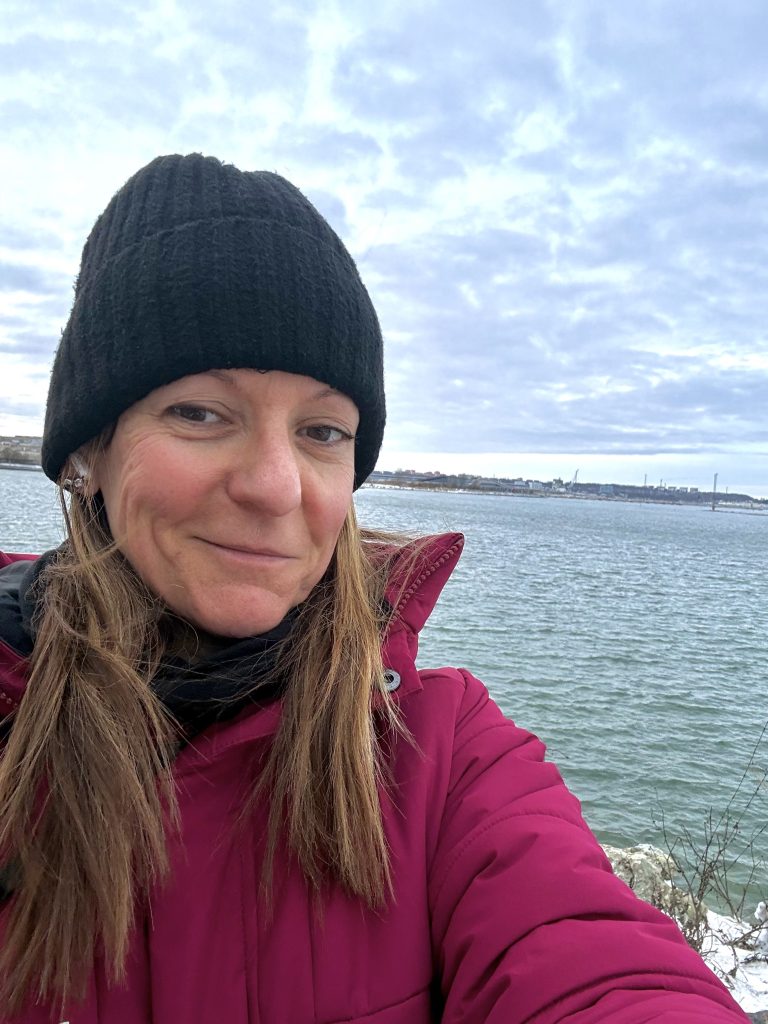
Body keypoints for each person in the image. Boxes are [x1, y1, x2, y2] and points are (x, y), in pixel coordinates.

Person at [0, 154, 749, 1024]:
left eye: (323, 431)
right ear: (89, 451)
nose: (278, 486)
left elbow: (594, 967)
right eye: (201, 413)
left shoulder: (441, 753)